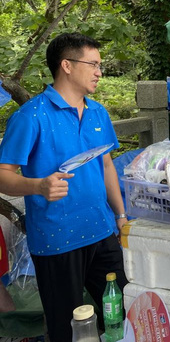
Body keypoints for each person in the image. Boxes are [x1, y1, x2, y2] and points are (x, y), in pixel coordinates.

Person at [0, 33, 128, 341]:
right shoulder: (31, 116)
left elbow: (106, 165)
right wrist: (38, 186)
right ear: (66, 65)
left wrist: (121, 215)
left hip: (101, 230)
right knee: (67, 328)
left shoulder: (98, 112)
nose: (99, 72)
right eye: (93, 64)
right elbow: (3, 174)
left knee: (125, 312)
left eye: (100, 65)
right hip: (57, 239)